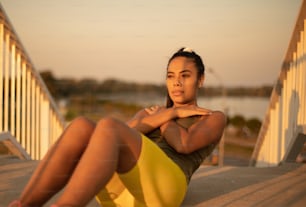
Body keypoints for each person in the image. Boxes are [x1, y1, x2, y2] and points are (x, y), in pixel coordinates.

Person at [9, 47, 226, 207]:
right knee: (82, 126)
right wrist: (168, 112)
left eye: (185, 76)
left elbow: (183, 144)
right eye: (171, 76)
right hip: (124, 194)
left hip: (164, 192)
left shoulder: (212, 117)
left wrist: (167, 116)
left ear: (201, 80)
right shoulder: (152, 111)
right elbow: (110, 136)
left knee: (111, 126)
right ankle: (23, 204)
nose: (176, 83)